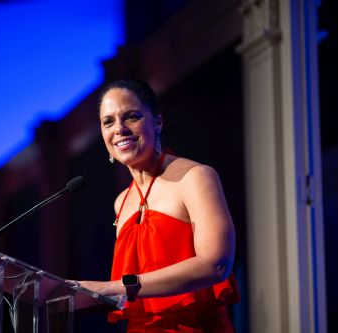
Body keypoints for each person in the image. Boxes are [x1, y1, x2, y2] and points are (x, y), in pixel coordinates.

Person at [79, 78, 240, 332]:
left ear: (157, 122)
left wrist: (112, 287)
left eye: (131, 116)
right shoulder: (121, 202)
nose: (119, 128)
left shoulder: (195, 177)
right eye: (108, 121)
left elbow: (216, 263)